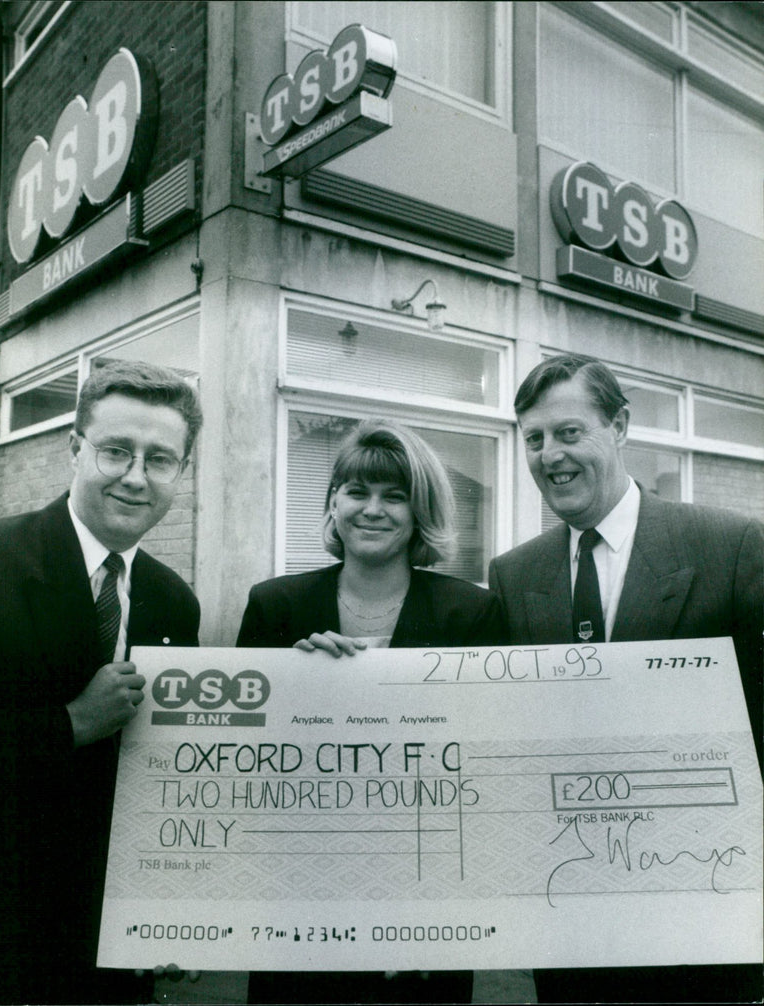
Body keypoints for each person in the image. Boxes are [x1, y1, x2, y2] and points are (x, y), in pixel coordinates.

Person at [487, 352, 763, 1005]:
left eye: (569, 432)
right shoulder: (513, 575)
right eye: (534, 439)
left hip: (704, 915)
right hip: (572, 920)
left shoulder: (732, 547)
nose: (549, 454)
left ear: (621, 427)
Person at [238, 418, 506, 1003]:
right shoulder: (274, 605)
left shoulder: (474, 613)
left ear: (420, 513)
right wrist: (291, 682)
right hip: (298, 905)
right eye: (357, 492)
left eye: (394, 496)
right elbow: (241, 763)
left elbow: (488, 769)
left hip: (428, 908)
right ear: (333, 503)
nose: (372, 510)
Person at [0, 360, 203, 1006]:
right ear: (75, 449)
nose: (135, 476)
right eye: (116, 452)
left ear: (180, 473)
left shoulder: (175, 602)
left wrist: (180, 908)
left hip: (115, 950)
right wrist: (70, 723)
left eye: (160, 460)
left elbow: (170, 784)